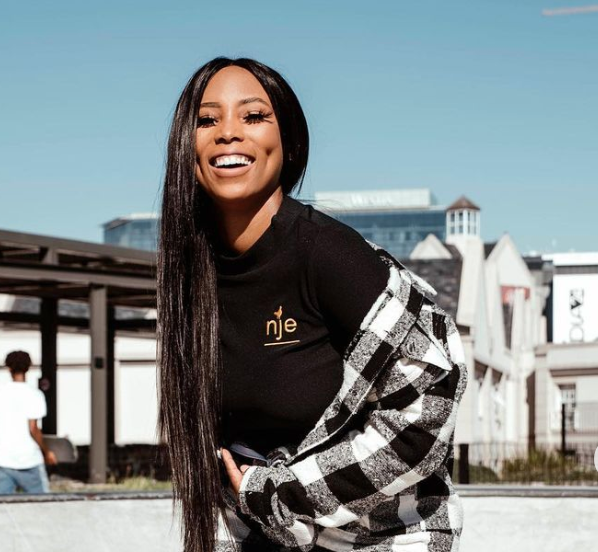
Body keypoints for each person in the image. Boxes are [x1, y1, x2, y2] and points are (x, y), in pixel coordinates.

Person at [157, 56, 468, 552]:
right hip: (262, 534)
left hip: (381, 538)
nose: (228, 133)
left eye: (253, 116)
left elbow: (430, 397)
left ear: (290, 141)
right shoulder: (190, 279)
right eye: (207, 120)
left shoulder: (328, 253)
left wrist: (284, 494)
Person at [0, 350, 57, 494]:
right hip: (29, 460)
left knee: (3, 505)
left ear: (8, 368)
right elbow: (33, 429)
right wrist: (46, 451)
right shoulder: (35, 394)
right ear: (28, 367)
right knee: (42, 504)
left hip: (3, 460)